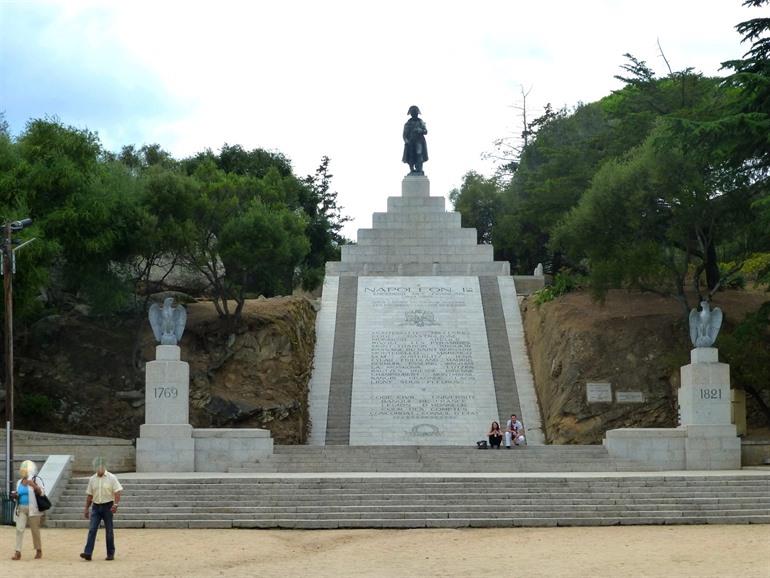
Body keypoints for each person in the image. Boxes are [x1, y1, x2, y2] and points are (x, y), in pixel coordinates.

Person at [80, 457, 123, 561]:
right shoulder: (92, 479)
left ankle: (110, 554)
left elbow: (117, 491)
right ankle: (88, 553)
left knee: (109, 531)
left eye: (100, 467)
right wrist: (86, 508)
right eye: (97, 467)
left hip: (108, 506)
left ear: (104, 467)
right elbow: (90, 495)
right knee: (92, 530)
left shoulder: (112, 478)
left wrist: (116, 504)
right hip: (95, 507)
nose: (99, 469)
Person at [10, 460, 46, 560]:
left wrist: (33, 485)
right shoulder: (19, 482)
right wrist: (15, 495)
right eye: (22, 470)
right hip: (21, 508)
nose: (24, 472)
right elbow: (18, 494)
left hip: (33, 509)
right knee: (19, 529)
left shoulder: (36, 479)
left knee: (35, 530)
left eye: (26, 470)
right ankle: (18, 552)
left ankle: (38, 550)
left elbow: (42, 492)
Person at [402, 105, 428, 175]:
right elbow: (404, 135)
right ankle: (412, 170)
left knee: (419, 154)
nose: (414, 114)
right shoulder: (407, 123)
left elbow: (425, 131)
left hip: (419, 141)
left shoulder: (420, 122)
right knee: (411, 155)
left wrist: (420, 130)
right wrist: (406, 141)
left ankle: (419, 169)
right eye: (412, 112)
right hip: (410, 141)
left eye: (415, 112)